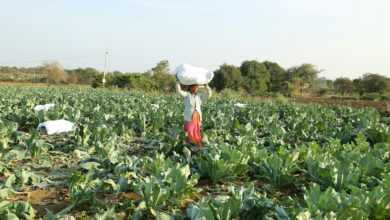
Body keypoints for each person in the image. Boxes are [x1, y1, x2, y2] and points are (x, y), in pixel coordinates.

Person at [176, 82, 212, 150]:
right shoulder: (187, 95)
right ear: (191, 87)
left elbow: (209, 95)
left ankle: (197, 147)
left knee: (197, 132)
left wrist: (206, 87)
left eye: (197, 87)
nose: (196, 89)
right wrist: (178, 82)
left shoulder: (199, 96)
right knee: (189, 131)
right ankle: (189, 146)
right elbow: (179, 91)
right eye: (195, 87)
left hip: (197, 117)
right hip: (189, 117)